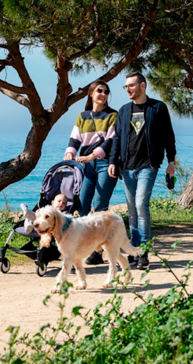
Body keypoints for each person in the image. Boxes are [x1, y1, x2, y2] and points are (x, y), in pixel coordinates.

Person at [108, 72, 176, 270]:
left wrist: (171, 161)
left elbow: (168, 136)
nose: (128, 89)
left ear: (142, 86)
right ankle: (134, 251)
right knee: (131, 210)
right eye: (126, 86)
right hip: (127, 168)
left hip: (149, 165)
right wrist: (113, 161)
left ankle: (144, 251)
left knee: (140, 205)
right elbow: (117, 138)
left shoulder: (158, 108)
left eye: (131, 85)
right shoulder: (123, 111)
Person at [64, 80, 118, 265]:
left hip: (104, 163)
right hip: (86, 166)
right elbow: (75, 138)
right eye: (99, 91)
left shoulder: (113, 115)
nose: (103, 94)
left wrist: (92, 156)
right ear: (91, 94)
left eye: (106, 91)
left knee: (100, 205)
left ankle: (98, 252)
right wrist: (70, 152)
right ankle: (85, 245)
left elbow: (110, 140)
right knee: (83, 206)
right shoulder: (83, 116)